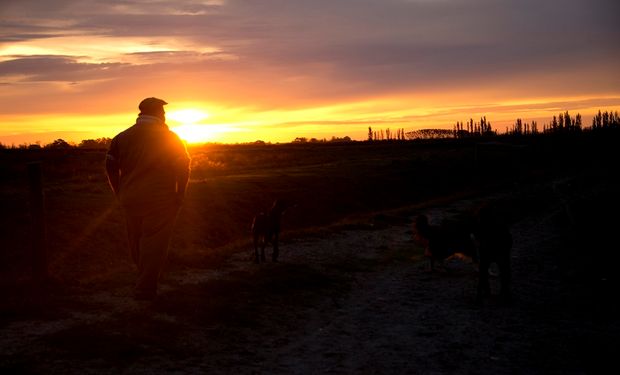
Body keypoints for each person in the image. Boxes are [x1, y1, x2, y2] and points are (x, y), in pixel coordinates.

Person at [105, 97, 190, 301]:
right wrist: (180, 195)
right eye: (163, 111)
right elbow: (182, 167)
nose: (165, 114)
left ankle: (143, 278)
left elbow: (110, 166)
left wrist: (118, 190)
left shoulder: (121, 137)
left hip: (130, 198)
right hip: (160, 199)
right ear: (158, 113)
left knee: (136, 242)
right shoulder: (170, 138)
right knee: (154, 244)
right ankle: (145, 289)